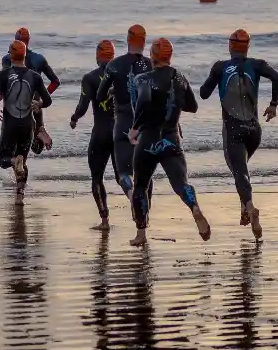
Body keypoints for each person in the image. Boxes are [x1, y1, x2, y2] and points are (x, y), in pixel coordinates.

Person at [199, 29, 278, 239]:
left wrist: (214, 78)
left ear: (230, 46)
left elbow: (203, 93)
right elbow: (277, 78)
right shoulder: (257, 64)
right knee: (241, 169)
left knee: (239, 172)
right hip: (254, 131)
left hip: (233, 130)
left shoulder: (220, 67)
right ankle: (245, 208)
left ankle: (250, 207)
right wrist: (273, 105)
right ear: (248, 47)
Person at [128, 38, 209, 246]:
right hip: (171, 139)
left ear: (152, 55)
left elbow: (144, 100)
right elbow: (193, 106)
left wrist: (135, 128)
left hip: (148, 140)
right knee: (180, 183)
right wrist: (172, 103)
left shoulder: (143, 78)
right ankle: (194, 208)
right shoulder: (179, 78)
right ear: (169, 56)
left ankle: (141, 234)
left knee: (140, 186)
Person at [0, 40, 53, 206]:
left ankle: (13, 162)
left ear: (11, 55)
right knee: (22, 161)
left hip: (10, 125)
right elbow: (47, 100)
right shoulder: (35, 76)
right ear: (25, 55)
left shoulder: (2, 75)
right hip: (27, 125)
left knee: (4, 159)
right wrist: (39, 105)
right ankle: (19, 196)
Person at [95, 24, 154, 202]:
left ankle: (131, 196)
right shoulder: (151, 65)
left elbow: (100, 95)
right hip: (145, 126)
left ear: (128, 39)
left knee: (124, 174)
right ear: (144, 41)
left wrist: (114, 91)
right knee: (145, 174)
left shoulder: (114, 65)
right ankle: (144, 218)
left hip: (123, 123)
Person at [70, 40, 118, 230]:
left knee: (97, 177)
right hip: (121, 133)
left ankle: (105, 220)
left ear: (98, 56)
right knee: (123, 176)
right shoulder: (122, 75)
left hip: (100, 133)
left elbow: (82, 107)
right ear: (113, 56)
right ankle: (136, 204)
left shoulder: (90, 78)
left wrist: (74, 118)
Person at [1, 27, 59, 154]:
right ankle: (40, 129)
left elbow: (5, 81)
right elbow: (55, 82)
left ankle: (38, 132)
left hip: (14, 108)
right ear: (29, 40)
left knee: (12, 151)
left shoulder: (7, 59)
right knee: (35, 149)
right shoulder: (39, 59)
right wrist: (44, 96)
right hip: (35, 106)